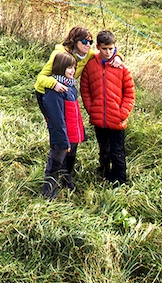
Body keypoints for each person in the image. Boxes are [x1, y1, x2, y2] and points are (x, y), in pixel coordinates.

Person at [34, 26, 93, 198]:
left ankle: (66, 175)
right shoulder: (58, 57)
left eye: (90, 41)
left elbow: (105, 53)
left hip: (68, 91)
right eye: (85, 41)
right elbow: (41, 78)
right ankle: (50, 188)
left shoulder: (85, 56)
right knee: (58, 134)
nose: (88, 44)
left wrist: (117, 57)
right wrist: (54, 84)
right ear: (75, 41)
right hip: (49, 90)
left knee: (70, 138)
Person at [81, 29, 134, 184]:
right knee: (104, 149)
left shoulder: (121, 68)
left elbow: (129, 92)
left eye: (111, 49)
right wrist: (91, 109)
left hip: (117, 119)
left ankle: (119, 180)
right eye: (104, 49)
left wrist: (122, 113)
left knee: (117, 151)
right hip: (99, 118)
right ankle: (104, 172)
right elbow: (85, 89)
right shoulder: (90, 66)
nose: (108, 52)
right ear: (98, 47)